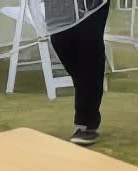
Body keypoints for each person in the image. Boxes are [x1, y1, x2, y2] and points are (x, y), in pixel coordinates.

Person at [47, 0, 110, 146]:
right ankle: (87, 90)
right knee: (60, 40)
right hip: (57, 6)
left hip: (90, 5)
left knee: (89, 49)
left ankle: (86, 123)